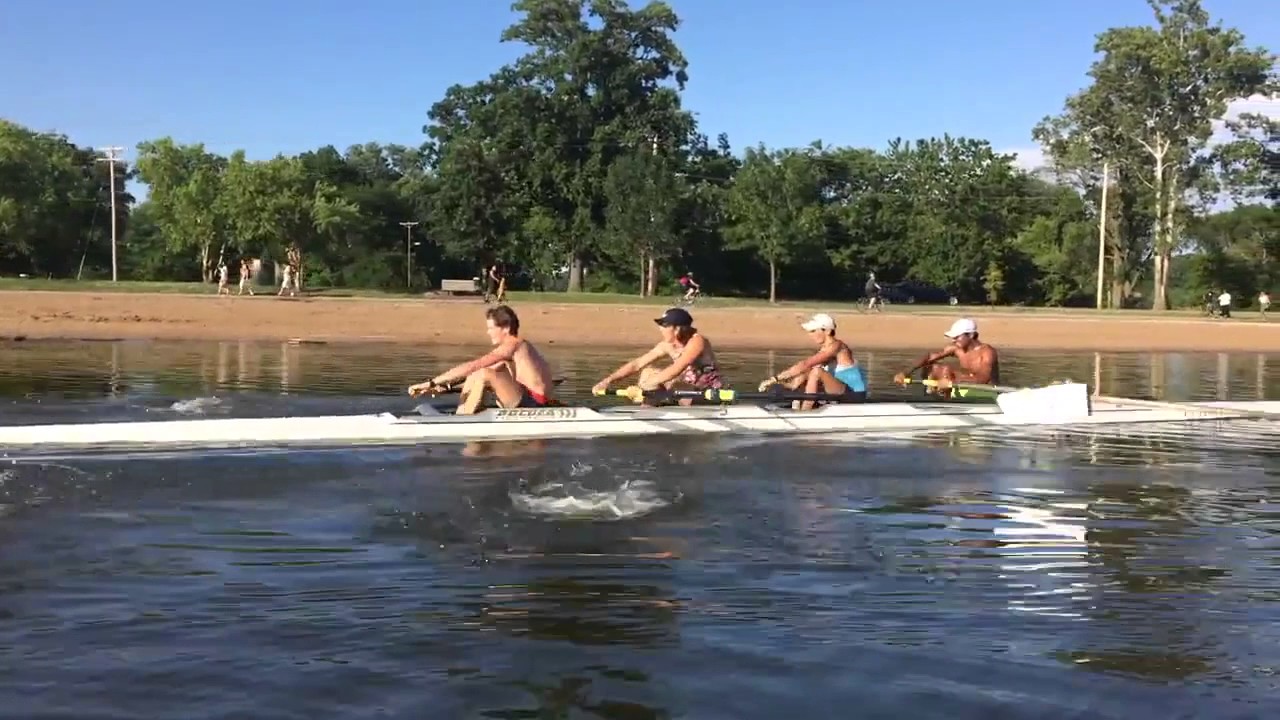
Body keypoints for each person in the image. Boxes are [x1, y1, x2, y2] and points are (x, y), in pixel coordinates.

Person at [407, 305, 557, 414]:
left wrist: (432, 382)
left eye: (491, 328)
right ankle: (460, 416)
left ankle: (463, 421)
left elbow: (474, 365)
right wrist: (445, 388)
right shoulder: (515, 350)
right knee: (482, 373)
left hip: (536, 406)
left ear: (505, 328)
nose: (488, 332)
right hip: (527, 399)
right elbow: (474, 375)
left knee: (483, 372)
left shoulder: (513, 344)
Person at [591, 307, 725, 404]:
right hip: (684, 390)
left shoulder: (697, 341)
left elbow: (677, 368)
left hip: (707, 392)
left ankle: (651, 406)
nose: (660, 329)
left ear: (677, 329)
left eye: (664, 325)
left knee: (663, 381)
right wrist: (608, 381)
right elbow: (636, 364)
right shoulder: (666, 345)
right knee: (648, 372)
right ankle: (647, 409)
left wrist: (643, 388)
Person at [758, 313, 867, 410]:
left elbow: (805, 364)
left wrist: (775, 378)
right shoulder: (824, 350)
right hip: (839, 392)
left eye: (814, 331)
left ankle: (805, 412)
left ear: (828, 331)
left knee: (816, 371)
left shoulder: (838, 346)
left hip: (854, 395)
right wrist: (776, 383)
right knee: (807, 373)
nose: (810, 335)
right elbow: (801, 374)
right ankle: (796, 406)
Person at [893, 318, 999, 399]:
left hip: (987, 393)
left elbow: (983, 379)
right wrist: (906, 372)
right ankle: (934, 397)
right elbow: (929, 357)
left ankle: (943, 396)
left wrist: (951, 380)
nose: (954, 340)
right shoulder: (956, 349)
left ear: (971, 335)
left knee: (946, 370)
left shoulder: (987, 352)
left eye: (957, 337)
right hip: (966, 389)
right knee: (932, 368)